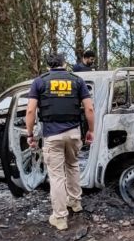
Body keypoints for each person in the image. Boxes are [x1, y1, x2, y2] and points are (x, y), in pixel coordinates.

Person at [25, 53, 95, 231]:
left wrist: (30, 134)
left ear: (48, 65)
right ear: (64, 64)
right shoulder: (77, 81)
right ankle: (75, 202)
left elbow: (30, 111)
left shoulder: (39, 82)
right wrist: (91, 130)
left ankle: (60, 218)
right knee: (72, 166)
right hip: (73, 133)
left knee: (56, 176)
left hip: (52, 135)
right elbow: (89, 107)